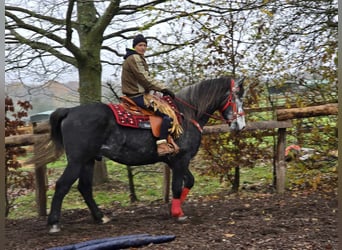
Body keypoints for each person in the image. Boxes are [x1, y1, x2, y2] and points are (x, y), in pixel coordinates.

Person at [121, 34, 180, 156]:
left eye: (145, 45)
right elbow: (144, 78)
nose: (143, 48)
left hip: (139, 94)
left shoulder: (133, 58)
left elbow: (143, 80)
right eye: (140, 45)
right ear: (134, 46)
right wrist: (164, 89)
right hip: (136, 96)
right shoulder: (135, 58)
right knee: (167, 117)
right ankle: (162, 145)